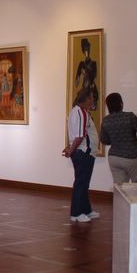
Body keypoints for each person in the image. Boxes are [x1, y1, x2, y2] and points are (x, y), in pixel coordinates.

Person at [62, 87, 100, 222]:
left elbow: (74, 136)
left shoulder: (78, 112)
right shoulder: (80, 112)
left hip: (84, 152)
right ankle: (76, 213)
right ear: (86, 98)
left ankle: (86, 210)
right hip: (84, 153)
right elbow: (79, 136)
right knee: (81, 183)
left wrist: (70, 149)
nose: (93, 100)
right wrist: (71, 151)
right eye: (91, 97)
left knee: (84, 183)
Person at [100, 93, 137, 184]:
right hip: (132, 156)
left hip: (114, 157)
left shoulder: (105, 120)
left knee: (119, 188)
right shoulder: (129, 116)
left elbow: (104, 140)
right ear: (121, 103)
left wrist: (115, 138)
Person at [75, 38, 99, 111]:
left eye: (87, 48)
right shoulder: (81, 64)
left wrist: (86, 72)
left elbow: (94, 76)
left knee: (93, 103)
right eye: (85, 48)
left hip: (91, 85)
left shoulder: (94, 63)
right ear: (83, 50)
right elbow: (76, 82)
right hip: (85, 86)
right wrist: (80, 74)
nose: (86, 51)